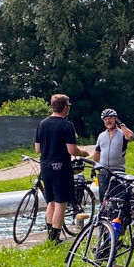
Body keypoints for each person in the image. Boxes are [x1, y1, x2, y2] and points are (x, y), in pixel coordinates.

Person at [35, 94, 89, 243]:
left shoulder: (42, 124)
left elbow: (37, 148)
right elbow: (72, 150)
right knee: (61, 202)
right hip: (61, 167)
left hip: (45, 166)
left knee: (50, 201)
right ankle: (54, 238)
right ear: (65, 107)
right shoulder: (67, 125)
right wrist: (83, 152)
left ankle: (49, 234)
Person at [92, 108, 134, 199]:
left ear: (115, 119)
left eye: (110, 118)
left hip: (118, 172)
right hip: (104, 172)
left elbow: (130, 135)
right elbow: (97, 152)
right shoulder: (101, 136)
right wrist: (93, 167)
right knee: (104, 199)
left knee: (118, 199)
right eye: (105, 119)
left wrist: (121, 124)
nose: (108, 121)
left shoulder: (122, 133)